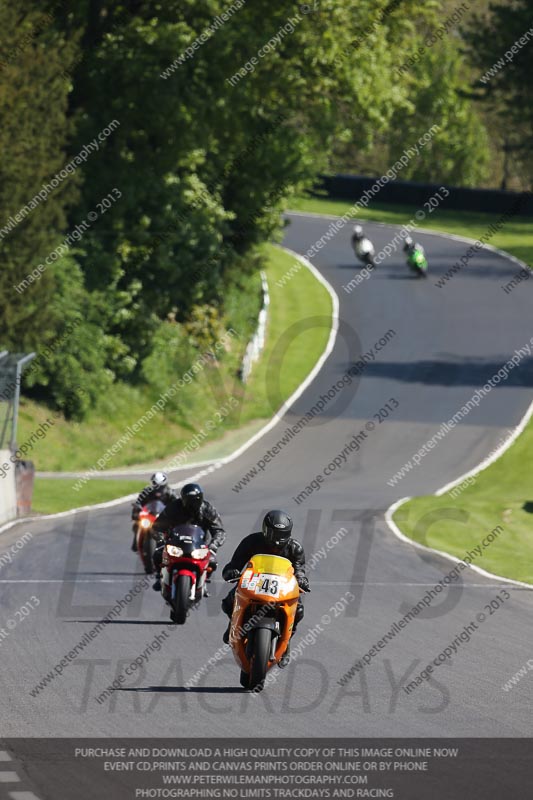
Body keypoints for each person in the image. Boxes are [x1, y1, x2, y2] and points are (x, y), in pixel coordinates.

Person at [221, 510, 310, 668]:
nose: (277, 539)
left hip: (281, 588)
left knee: (299, 610)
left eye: (282, 534)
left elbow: (299, 569)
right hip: (254, 583)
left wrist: (301, 579)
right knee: (229, 601)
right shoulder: (251, 542)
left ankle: (286, 639)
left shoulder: (295, 548)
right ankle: (232, 625)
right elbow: (234, 564)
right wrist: (231, 571)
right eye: (274, 533)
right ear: (265, 529)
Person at [151, 482, 226, 591]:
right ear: (183, 499)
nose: (192, 504)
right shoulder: (173, 507)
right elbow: (157, 527)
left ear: (200, 499)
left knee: (213, 561)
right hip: (175, 543)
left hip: (199, 545)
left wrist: (213, 546)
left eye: (195, 500)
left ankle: (203, 581)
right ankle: (160, 577)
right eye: (189, 500)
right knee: (158, 555)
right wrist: (161, 541)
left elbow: (219, 531)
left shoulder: (207, 509)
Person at [131, 471, 176, 552]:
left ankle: (174, 543)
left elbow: (177, 504)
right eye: (156, 484)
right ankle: (135, 542)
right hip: (149, 515)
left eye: (160, 485)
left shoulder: (170, 492)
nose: (158, 488)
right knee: (136, 524)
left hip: (163, 517)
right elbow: (138, 503)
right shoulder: (146, 491)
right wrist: (135, 512)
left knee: (174, 527)